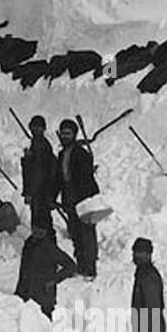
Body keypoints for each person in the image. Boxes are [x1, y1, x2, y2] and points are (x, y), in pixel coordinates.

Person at [56, 118, 99, 277]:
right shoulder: (61, 154)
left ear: (74, 135)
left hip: (85, 199)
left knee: (87, 234)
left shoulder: (81, 154)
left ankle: (90, 268)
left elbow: (85, 179)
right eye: (63, 133)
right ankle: (81, 264)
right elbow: (60, 179)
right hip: (70, 198)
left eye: (68, 133)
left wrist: (78, 199)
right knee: (75, 233)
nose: (65, 136)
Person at [14, 225, 78, 318]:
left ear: (45, 231)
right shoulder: (29, 243)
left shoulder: (49, 247)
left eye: (40, 230)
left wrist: (53, 280)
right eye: (34, 229)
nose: (36, 232)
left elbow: (70, 266)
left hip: (43, 300)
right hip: (25, 295)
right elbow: (23, 269)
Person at [131, 238, 166, 332]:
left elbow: (153, 308)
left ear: (149, 255)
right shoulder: (142, 272)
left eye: (140, 253)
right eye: (135, 252)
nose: (136, 255)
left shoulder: (148, 276)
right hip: (143, 331)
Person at [21, 114, 57, 230]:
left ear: (43, 129)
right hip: (42, 190)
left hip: (40, 191)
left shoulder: (40, 145)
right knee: (43, 220)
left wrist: (30, 192)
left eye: (39, 127)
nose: (35, 130)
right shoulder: (37, 144)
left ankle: (44, 245)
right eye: (33, 127)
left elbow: (38, 171)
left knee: (40, 221)